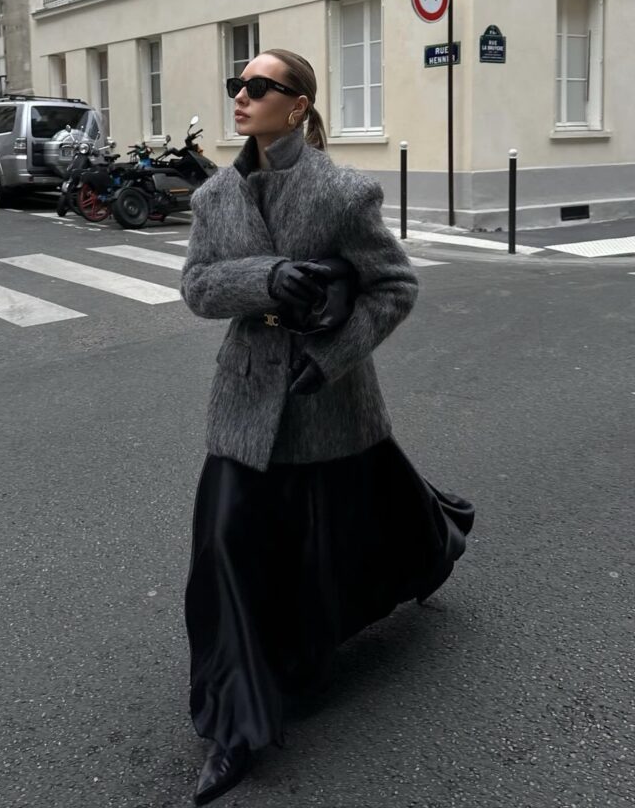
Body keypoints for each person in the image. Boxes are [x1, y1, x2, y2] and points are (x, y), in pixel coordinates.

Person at [180, 49, 474, 805]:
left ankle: (434, 543)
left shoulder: (343, 191)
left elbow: (394, 286)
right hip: (243, 399)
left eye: (258, 86)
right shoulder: (214, 196)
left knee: (354, 529)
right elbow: (198, 289)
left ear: (299, 104)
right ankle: (233, 726)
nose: (240, 96)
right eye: (235, 85)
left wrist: (334, 356)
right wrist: (267, 278)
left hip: (327, 397)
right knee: (224, 551)